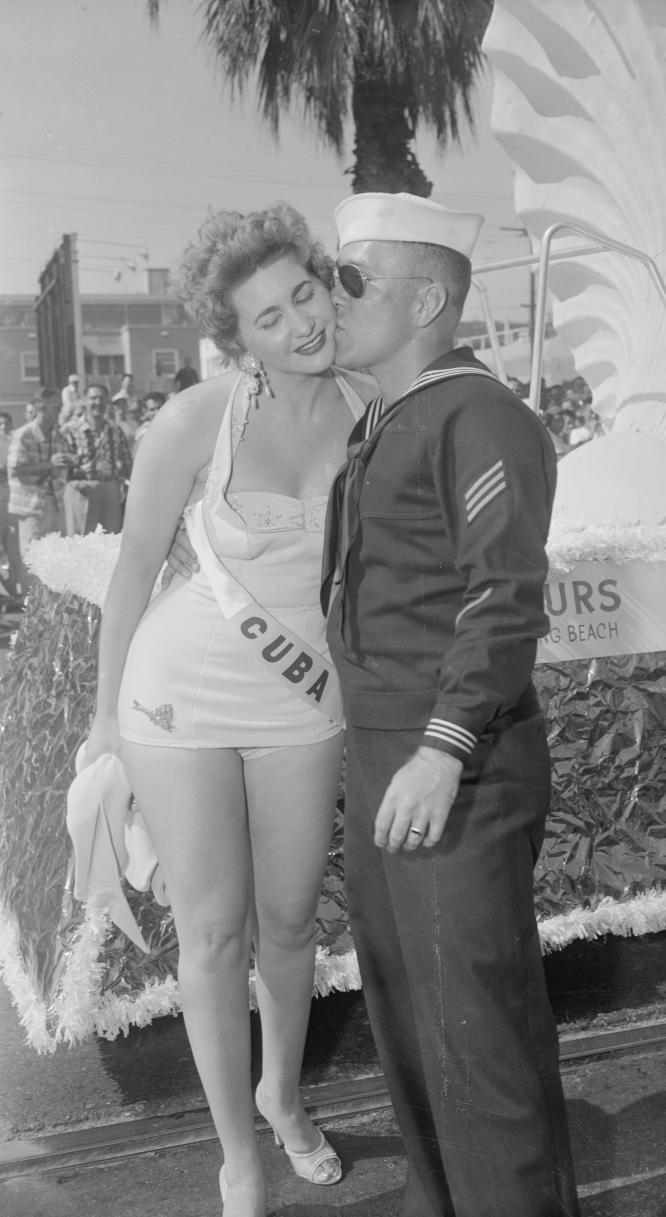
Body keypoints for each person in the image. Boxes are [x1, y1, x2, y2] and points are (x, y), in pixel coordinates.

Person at [84, 203, 370, 1217]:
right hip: (180, 692)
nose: (300, 321)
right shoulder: (196, 420)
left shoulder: (375, 408)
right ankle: (238, 1152)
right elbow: (129, 573)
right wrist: (104, 722)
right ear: (234, 337)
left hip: (302, 695)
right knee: (212, 931)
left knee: (289, 921)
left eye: (306, 293)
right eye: (268, 315)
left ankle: (283, 1095)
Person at [322, 191, 580, 1217]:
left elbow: (503, 592)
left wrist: (441, 744)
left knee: (477, 1041)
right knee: (410, 1031)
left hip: (453, 763)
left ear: (427, 296)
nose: (332, 302)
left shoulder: (482, 415)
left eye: (353, 281)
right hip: (386, 754)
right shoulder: (387, 418)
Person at [61, 384, 132, 535]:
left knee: (110, 540)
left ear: (107, 402)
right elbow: (62, 466)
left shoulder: (115, 429)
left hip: (109, 489)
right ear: (85, 401)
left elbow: (127, 463)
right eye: (93, 398)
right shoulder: (70, 429)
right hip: (81, 489)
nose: (97, 402)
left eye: (101, 398)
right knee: (81, 540)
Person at [7, 387, 71, 552]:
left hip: (55, 504)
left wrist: (60, 469)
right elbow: (14, 470)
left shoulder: (57, 435)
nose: (60, 410)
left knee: (56, 558)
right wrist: (49, 465)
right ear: (42, 408)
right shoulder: (23, 435)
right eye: (56, 407)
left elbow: (58, 470)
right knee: (33, 560)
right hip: (31, 508)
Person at [0, 412, 29, 598]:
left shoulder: (15, 442)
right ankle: (5, 590)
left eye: (6, 422)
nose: (3, 426)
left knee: (14, 546)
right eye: (0, 423)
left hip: (12, 500)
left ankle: (17, 588)